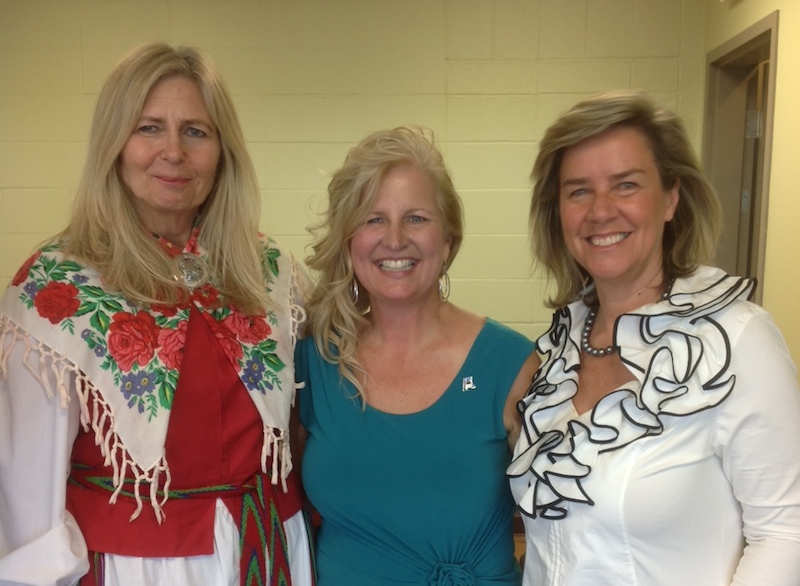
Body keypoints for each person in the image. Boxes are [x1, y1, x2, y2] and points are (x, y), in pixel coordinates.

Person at [0, 43, 314, 586]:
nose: (174, 151)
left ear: (223, 151)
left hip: (268, 551)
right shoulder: (55, 287)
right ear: (114, 145)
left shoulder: (271, 271)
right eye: (149, 128)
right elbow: (28, 489)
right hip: (135, 566)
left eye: (196, 131)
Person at [507, 90, 800, 584]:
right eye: (578, 190)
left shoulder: (738, 340)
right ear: (556, 212)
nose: (600, 211)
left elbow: (786, 532)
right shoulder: (554, 351)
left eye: (625, 185)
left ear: (670, 198)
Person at [295, 126, 539, 585]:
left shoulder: (509, 366)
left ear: (448, 240)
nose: (394, 239)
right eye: (373, 219)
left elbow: (564, 529)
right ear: (349, 241)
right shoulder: (315, 360)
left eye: (416, 218)